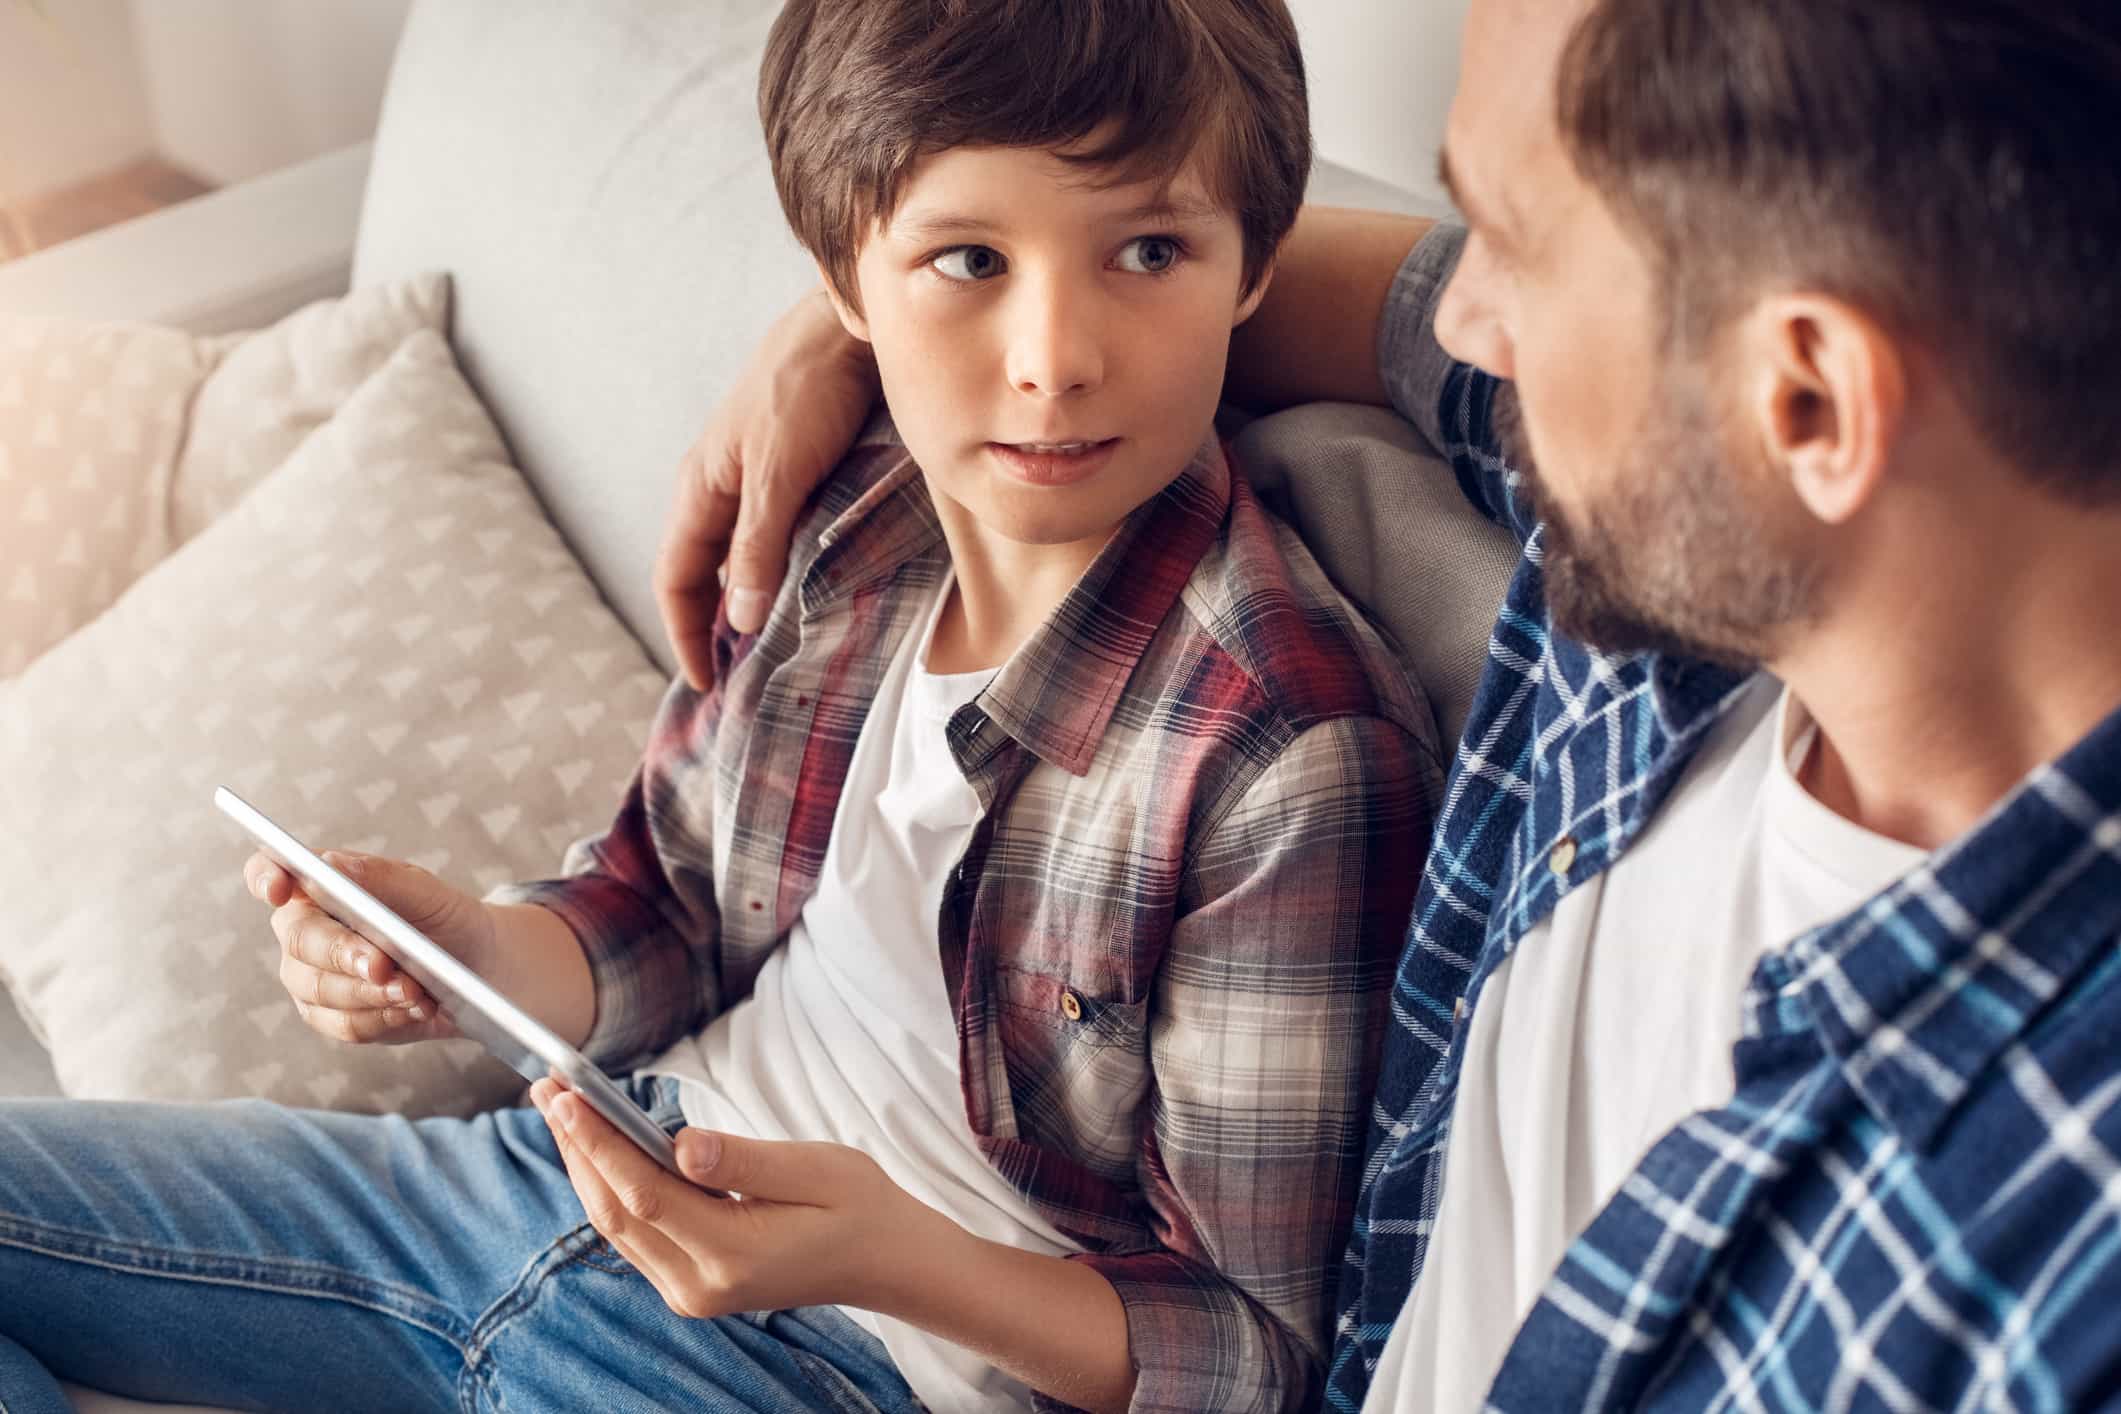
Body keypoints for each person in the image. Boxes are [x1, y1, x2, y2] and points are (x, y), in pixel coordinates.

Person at [659, 1, 2121, 1410]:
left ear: (1805, 400)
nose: (1461, 317)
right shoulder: (1726, 546)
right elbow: (1249, 277)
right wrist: (861, 315)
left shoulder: (2047, 1277)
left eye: (1515, 250)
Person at [0, 2, 1438, 1411]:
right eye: (968, 259)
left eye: (1146, 251)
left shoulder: (1286, 754)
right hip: (553, 1173)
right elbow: (667, 907)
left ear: (1253, 263)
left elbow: (1256, 1353)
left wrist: (895, 1258)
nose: (1053, 356)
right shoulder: (851, 500)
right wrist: (479, 952)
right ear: (841, 279)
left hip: (832, 1359)